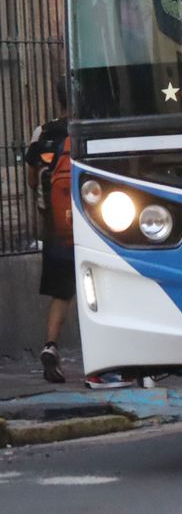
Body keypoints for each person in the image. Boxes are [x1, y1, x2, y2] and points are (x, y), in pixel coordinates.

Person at [25, 87, 71, 384]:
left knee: (61, 292)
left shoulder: (42, 132)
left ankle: (51, 345)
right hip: (96, 222)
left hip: (55, 226)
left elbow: (31, 180)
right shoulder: (89, 127)